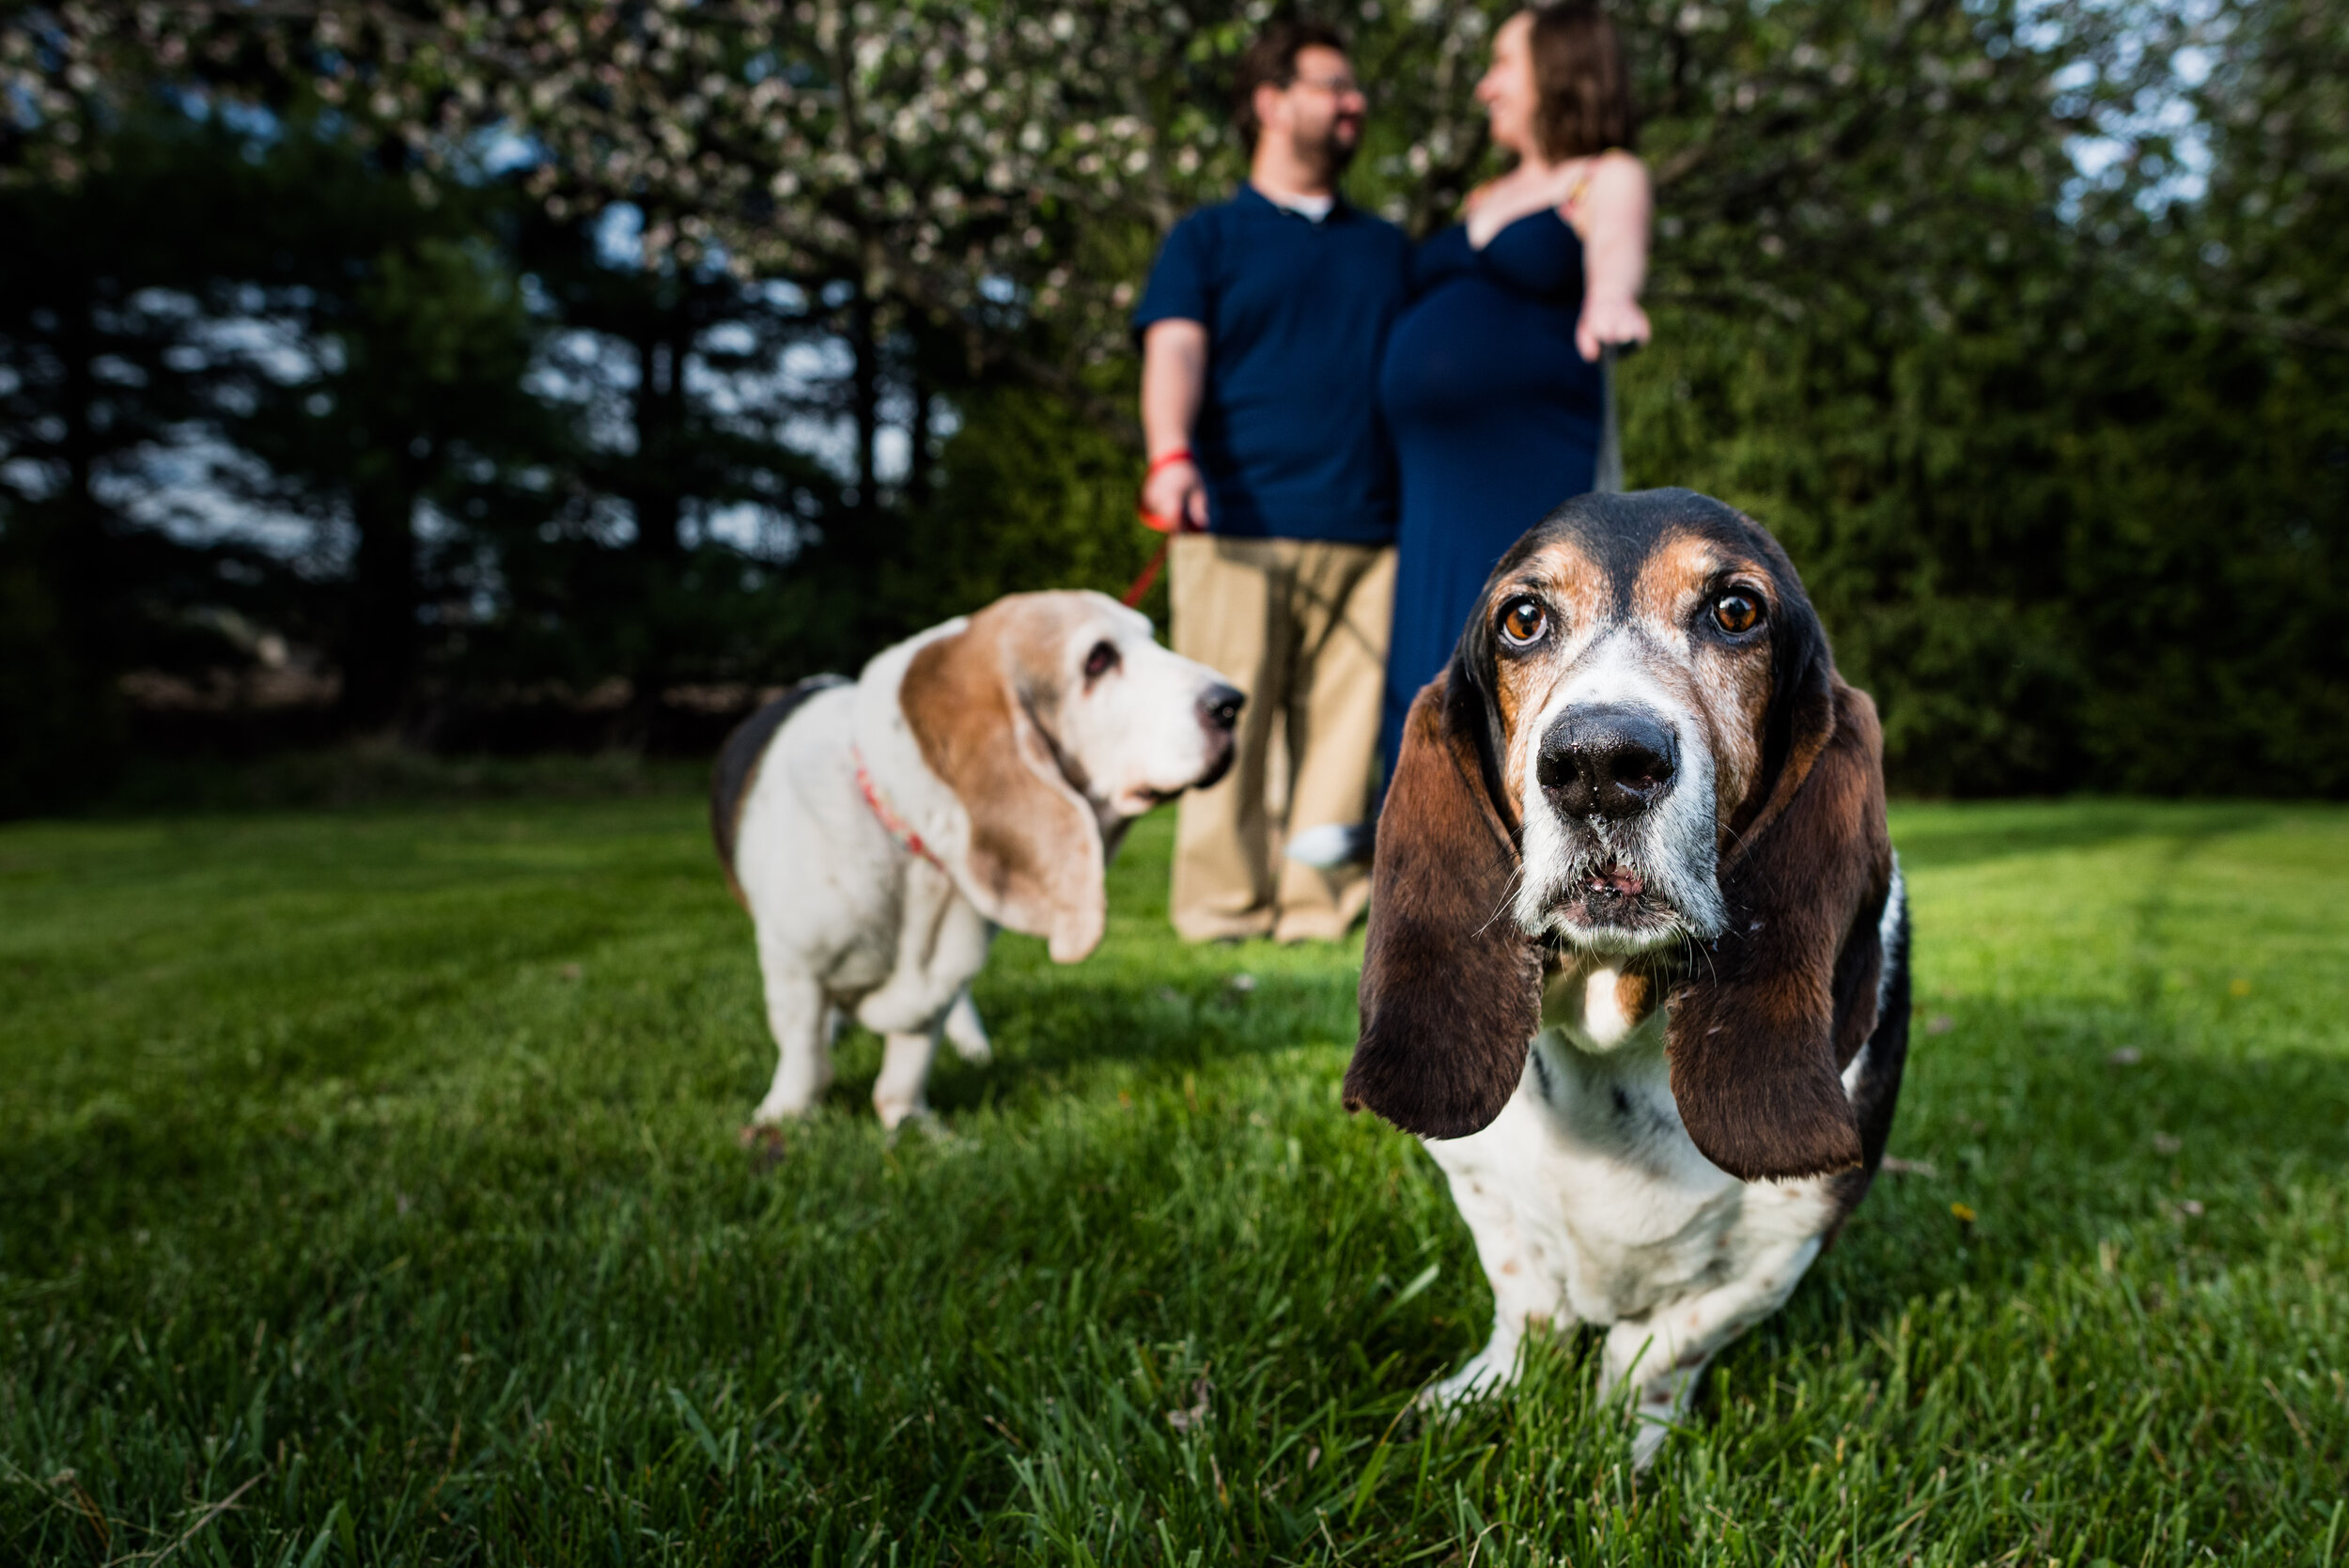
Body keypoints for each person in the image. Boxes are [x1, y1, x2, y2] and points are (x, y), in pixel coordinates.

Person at [1130, 20, 1412, 943]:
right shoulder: (1206, 239)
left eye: (1354, 89)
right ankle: (1221, 910)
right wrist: (1169, 455)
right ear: (1269, 102)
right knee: (1227, 728)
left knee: (1343, 732)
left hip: (1370, 527)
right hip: (1234, 519)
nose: (1353, 103)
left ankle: (1318, 909)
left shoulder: (1389, 249)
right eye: (1332, 86)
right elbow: (1174, 349)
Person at [1374, 2, 1653, 788]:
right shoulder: (1480, 197)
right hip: (1431, 482)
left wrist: (1611, 301)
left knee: (1524, 644)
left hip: (1526, 464)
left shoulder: (1603, 176)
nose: (1485, 88)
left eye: (1503, 66)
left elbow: (1615, 255)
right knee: (1428, 661)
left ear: (1557, 72)